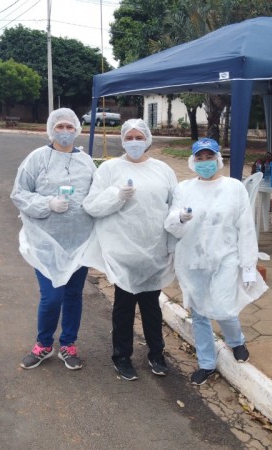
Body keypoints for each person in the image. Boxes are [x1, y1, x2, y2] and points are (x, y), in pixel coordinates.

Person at [164, 137, 268, 386]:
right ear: (192, 161)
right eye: (199, 158)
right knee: (199, 313)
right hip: (192, 259)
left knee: (223, 307)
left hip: (225, 257)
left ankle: (236, 341)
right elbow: (172, 227)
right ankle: (206, 363)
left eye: (209, 157)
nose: (205, 162)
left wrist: (248, 265)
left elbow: (245, 227)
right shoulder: (184, 189)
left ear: (218, 159)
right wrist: (180, 217)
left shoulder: (233, 187)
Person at [83, 119, 178, 381]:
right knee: (124, 307)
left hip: (154, 251)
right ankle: (121, 356)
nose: (134, 141)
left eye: (139, 137)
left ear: (147, 139)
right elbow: (92, 206)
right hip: (123, 251)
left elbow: (174, 206)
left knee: (151, 306)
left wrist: (177, 233)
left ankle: (156, 354)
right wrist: (117, 195)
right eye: (130, 137)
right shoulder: (110, 169)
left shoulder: (163, 170)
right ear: (122, 139)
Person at [10, 108, 96, 371]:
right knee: (51, 297)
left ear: (77, 129)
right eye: (60, 126)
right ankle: (44, 344)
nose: (65, 132)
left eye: (70, 127)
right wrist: (47, 203)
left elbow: (97, 196)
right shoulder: (37, 158)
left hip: (79, 241)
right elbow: (19, 194)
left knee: (73, 295)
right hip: (45, 241)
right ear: (51, 129)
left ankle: (68, 344)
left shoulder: (87, 162)